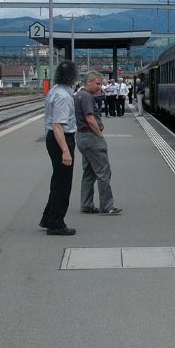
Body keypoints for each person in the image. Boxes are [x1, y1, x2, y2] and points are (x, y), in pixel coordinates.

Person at [74, 70, 122, 216]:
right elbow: (90, 118)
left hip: (82, 137)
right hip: (91, 138)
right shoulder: (87, 97)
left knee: (89, 173)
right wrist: (100, 136)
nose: (100, 87)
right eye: (97, 83)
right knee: (103, 172)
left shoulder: (78, 95)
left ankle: (86, 204)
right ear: (88, 82)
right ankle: (107, 206)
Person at [40, 60, 78, 236]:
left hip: (53, 138)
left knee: (57, 181)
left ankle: (48, 218)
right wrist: (65, 151)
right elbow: (57, 125)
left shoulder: (54, 91)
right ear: (73, 76)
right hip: (61, 138)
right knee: (63, 184)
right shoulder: (63, 96)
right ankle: (56, 223)